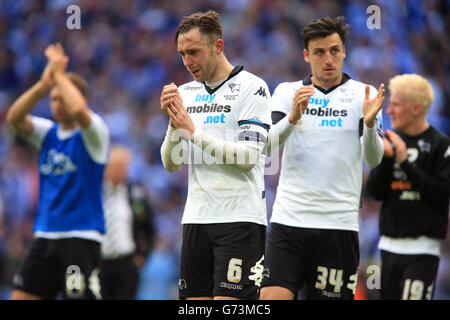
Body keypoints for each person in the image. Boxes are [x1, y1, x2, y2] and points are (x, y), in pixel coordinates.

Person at [259, 16, 385, 300]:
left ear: (344, 52)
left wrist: (368, 124)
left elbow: (374, 160)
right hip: (288, 223)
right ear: (306, 55)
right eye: (319, 52)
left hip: (338, 227)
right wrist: (292, 118)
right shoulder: (287, 92)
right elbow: (265, 146)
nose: (328, 59)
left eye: (334, 50)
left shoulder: (363, 95)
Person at [160, 10, 271, 300]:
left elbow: (248, 158)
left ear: (217, 47)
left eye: (194, 52)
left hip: (240, 219)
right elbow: (171, 164)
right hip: (196, 218)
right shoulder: (185, 93)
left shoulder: (253, 88)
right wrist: (174, 127)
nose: (187, 62)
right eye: (182, 53)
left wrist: (192, 132)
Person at [6, 43, 110, 300]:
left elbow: (78, 110)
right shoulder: (47, 133)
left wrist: (60, 74)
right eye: (53, 99)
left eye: (61, 96)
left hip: (80, 237)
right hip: (45, 234)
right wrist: (44, 84)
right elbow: (14, 118)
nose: (57, 103)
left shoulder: (94, 133)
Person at [366, 74, 450, 300]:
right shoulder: (390, 141)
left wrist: (405, 163)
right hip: (388, 247)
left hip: (422, 250)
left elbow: (441, 194)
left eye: (395, 105)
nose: (390, 111)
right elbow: (374, 192)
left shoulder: (441, 145)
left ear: (415, 108)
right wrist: (387, 160)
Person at [100, 145, 155, 300]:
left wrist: (143, 255)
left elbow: (150, 228)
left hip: (126, 262)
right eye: (116, 167)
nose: (120, 171)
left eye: (123, 166)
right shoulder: (97, 193)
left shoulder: (136, 193)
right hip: (100, 262)